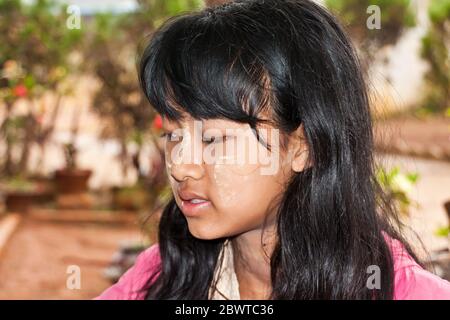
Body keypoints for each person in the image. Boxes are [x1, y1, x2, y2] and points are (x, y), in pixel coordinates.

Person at [95, 0, 450, 300]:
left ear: (303, 145)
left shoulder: (404, 291)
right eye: (173, 136)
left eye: (213, 140)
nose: (180, 167)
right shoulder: (158, 279)